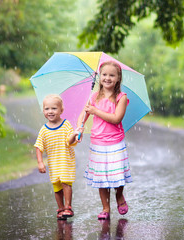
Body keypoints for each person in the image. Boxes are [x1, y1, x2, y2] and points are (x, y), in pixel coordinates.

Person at [77, 61, 132, 220]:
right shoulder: (93, 97)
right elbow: (84, 114)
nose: (107, 78)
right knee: (102, 178)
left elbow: (116, 119)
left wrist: (95, 110)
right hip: (98, 142)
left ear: (118, 78)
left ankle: (119, 196)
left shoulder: (121, 98)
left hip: (115, 141)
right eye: (104, 74)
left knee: (116, 174)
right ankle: (105, 207)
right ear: (100, 77)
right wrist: (79, 127)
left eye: (111, 75)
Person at [34, 94, 80, 220]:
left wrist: (74, 134)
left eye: (54, 108)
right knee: (57, 186)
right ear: (43, 111)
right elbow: (39, 146)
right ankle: (60, 208)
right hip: (54, 164)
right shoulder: (44, 130)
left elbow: (70, 142)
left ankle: (67, 207)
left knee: (66, 183)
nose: (50, 111)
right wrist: (40, 162)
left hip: (65, 161)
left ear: (61, 110)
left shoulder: (66, 125)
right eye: (47, 109)